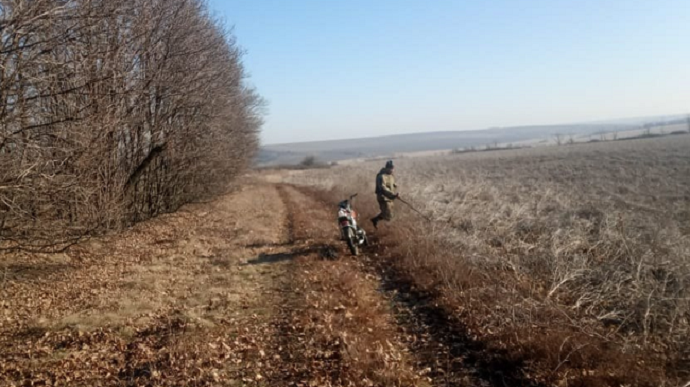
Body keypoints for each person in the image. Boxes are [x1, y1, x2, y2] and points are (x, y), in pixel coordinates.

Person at [371, 160, 399, 229]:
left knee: (387, 213)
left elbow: (393, 185)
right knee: (388, 214)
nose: (392, 170)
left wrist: (396, 192)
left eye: (392, 168)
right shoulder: (381, 176)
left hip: (390, 197)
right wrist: (392, 194)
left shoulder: (391, 176)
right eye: (390, 169)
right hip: (383, 197)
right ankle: (388, 229)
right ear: (386, 168)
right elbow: (383, 188)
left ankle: (375, 220)